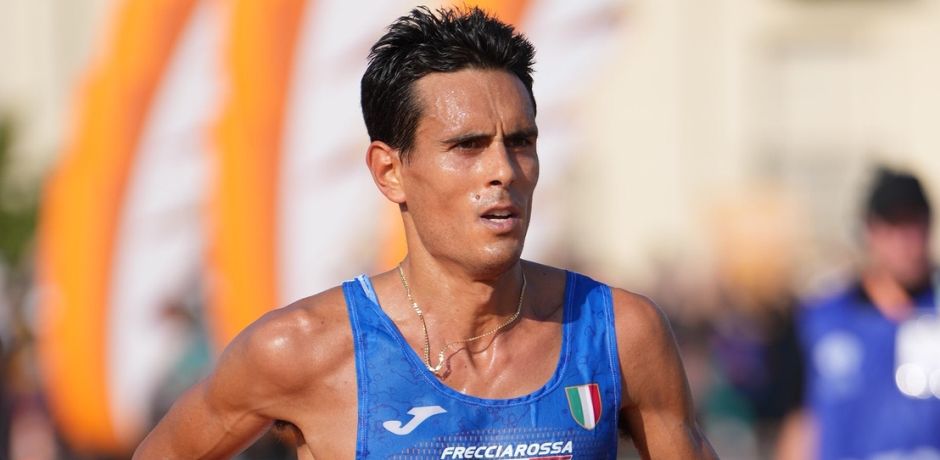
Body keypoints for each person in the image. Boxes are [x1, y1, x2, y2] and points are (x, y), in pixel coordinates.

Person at [134, 6, 716, 459]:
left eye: (520, 142)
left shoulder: (619, 334)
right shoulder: (301, 349)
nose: (502, 171)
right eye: (467, 146)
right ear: (390, 172)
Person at [791, 167, 940, 459]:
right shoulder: (823, 320)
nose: (904, 241)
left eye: (913, 225)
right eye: (893, 226)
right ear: (870, 231)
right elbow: (801, 423)